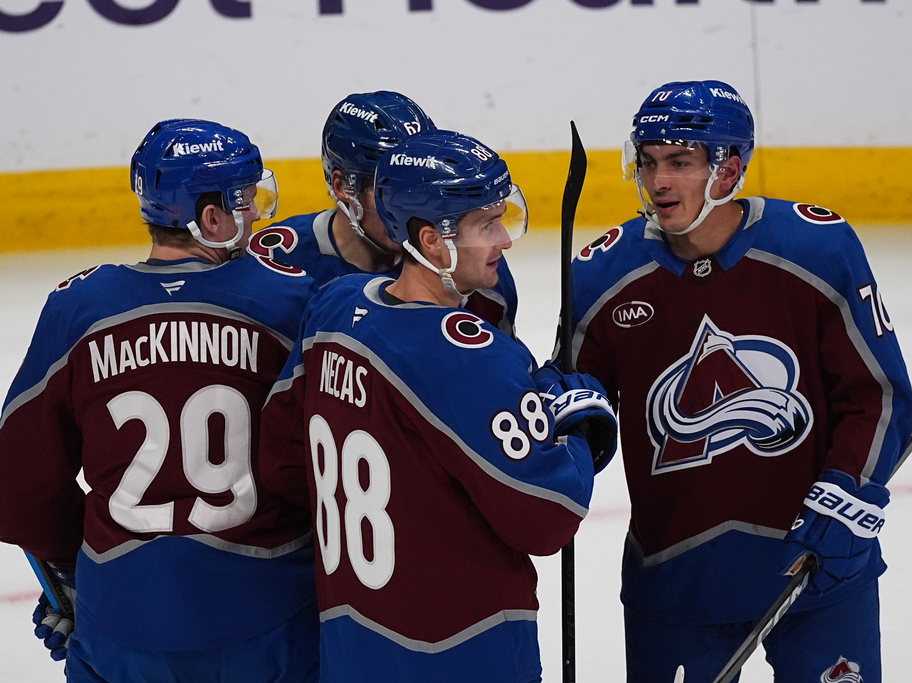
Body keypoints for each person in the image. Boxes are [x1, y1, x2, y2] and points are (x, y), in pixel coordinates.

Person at [561, 80, 912, 682]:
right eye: (647, 163)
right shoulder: (602, 275)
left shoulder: (816, 249)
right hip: (674, 577)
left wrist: (850, 496)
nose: (658, 181)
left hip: (815, 565)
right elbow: (579, 411)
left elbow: (876, 393)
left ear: (730, 169)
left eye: (679, 162)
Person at [259, 129, 617, 682]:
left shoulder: (333, 307)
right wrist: (577, 427)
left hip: (352, 643)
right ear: (432, 241)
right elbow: (549, 515)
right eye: (486, 224)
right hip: (465, 649)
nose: (506, 239)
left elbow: (282, 462)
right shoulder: (470, 357)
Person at [0, 119, 320, 682]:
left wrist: (76, 575)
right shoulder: (288, 301)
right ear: (212, 219)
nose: (256, 215)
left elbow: (17, 485)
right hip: (270, 622)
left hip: (120, 626)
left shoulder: (80, 309)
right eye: (244, 201)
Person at [249, 90, 519, 336]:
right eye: (388, 191)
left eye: (420, 191)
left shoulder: (466, 264)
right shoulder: (277, 261)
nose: (409, 208)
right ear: (343, 187)